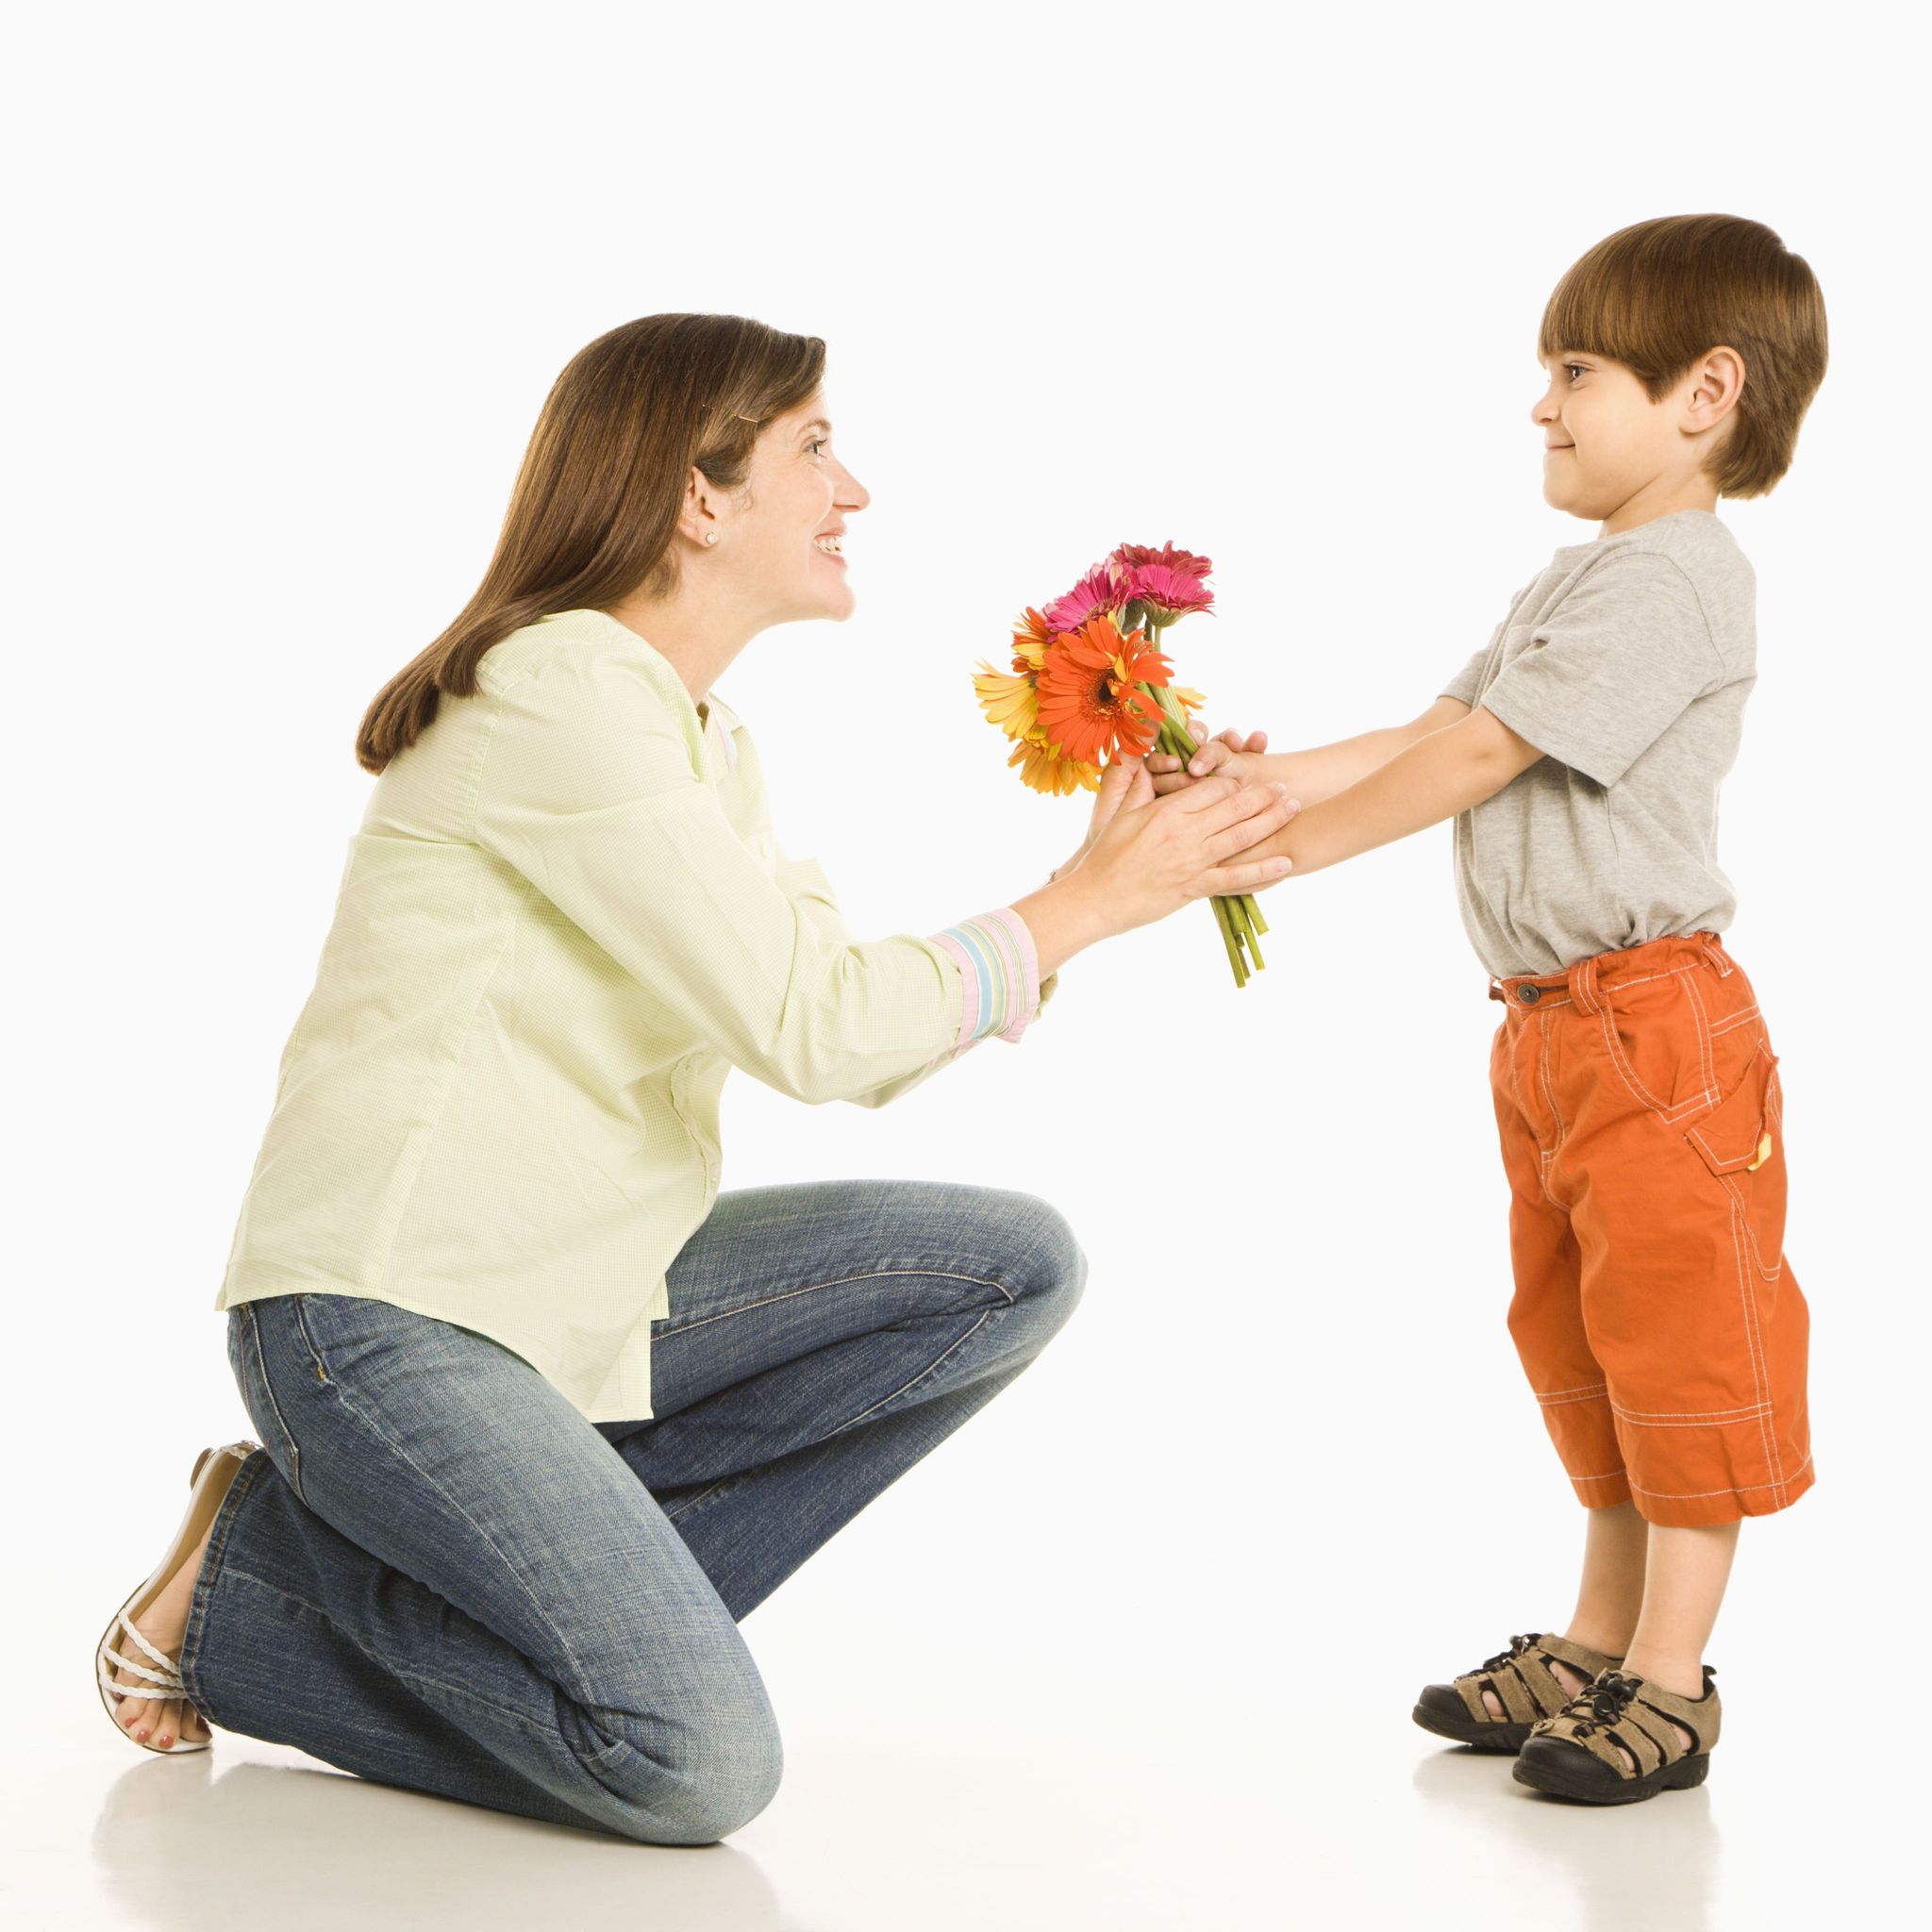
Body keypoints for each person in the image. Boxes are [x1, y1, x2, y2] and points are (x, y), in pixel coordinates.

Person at [93, 312, 1296, 1841]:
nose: (852, 489)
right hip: (386, 1319)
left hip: (566, 1300)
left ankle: (490, 1602)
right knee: (690, 1765)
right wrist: (1088, 899)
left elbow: (845, 1038)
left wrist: (1107, 883)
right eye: (813, 447)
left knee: (1002, 1269)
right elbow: (816, 1023)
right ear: (699, 496)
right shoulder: (560, 691)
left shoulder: (704, 740)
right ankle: (245, 1600)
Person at [1148, 215, 1826, 1804]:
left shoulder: (1677, 584)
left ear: (1703, 394)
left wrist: (1282, 852)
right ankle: (1596, 1641)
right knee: (1579, 1336)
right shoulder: (1579, 579)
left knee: (1677, 1342)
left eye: (1578, 372)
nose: (1543, 404)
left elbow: (1470, 765)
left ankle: (1670, 1680)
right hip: (1552, 1033)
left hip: (1655, 1033)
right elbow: (1435, 722)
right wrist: (1242, 783)